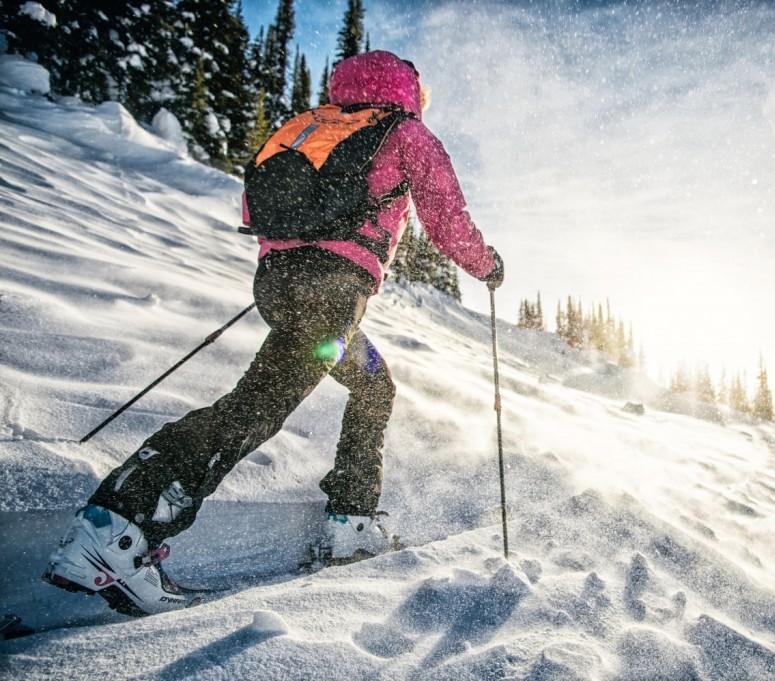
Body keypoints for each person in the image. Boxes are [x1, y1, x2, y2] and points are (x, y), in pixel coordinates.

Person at [42, 51, 504, 616]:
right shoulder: (402, 131)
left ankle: (349, 520)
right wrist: (487, 266)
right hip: (330, 297)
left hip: (283, 288)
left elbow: (258, 206)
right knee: (253, 410)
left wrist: (297, 266)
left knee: (371, 385)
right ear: (407, 90)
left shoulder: (310, 126)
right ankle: (117, 529)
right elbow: (447, 219)